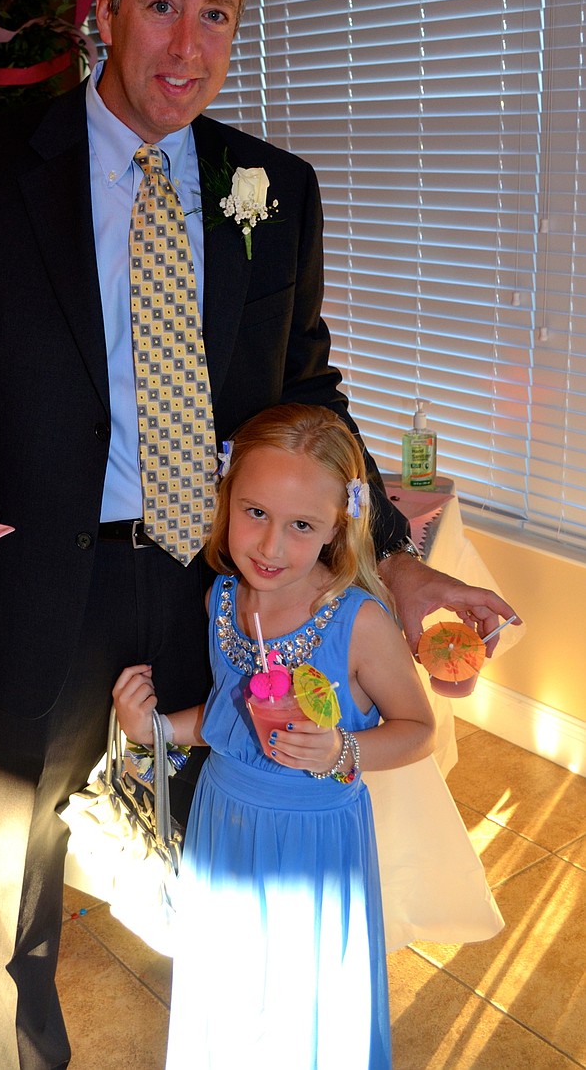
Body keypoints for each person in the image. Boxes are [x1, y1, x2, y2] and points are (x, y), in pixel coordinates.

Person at [0, 0, 517, 1069]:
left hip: (230, 586)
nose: (187, 45)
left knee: (228, 838)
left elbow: (307, 396)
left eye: (217, 15)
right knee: (23, 863)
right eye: (161, 4)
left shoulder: (274, 190)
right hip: (41, 584)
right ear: (100, 5)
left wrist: (400, 561)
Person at [114, 403, 437, 1069]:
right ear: (226, 498)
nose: (269, 545)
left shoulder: (359, 621)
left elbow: (419, 730)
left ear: (337, 527)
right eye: (254, 512)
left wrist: (343, 749)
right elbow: (226, 718)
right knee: (235, 998)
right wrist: (152, 728)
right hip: (223, 825)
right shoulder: (222, 600)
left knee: (298, 1005)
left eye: (301, 526)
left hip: (312, 842)